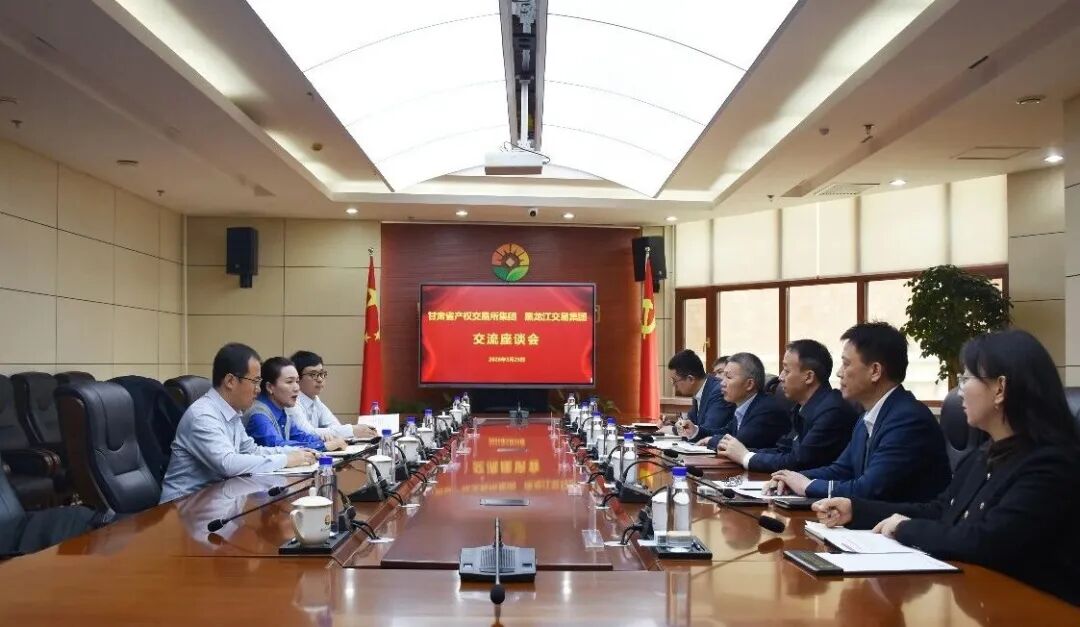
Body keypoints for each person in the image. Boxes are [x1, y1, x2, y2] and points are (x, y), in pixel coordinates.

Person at [812, 330, 1080, 606]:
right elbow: (941, 510)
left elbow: (987, 541)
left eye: (966, 379)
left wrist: (905, 528)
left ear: (1000, 388)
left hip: (1039, 609)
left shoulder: (1050, 465)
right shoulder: (983, 455)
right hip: (984, 599)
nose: (959, 391)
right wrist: (857, 510)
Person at [765, 322, 950, 501]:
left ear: (875, 371)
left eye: (846, 364)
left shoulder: (908, 420)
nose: (839, 373)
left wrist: (807, 486)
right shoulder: (867, 416)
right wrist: (789, 478)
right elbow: (842, 470)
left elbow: (868, 488)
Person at [159, 343, 317, 503]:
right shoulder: (203, 415)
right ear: (230, 381)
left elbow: (251, 450)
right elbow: (228, 464)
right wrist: (285, 460)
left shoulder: (231, 412)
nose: (258, 389)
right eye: (255, 381)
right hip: (183, 506)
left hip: (216, 499)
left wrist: (294, 451)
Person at [717, 339, 858, 472]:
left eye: (786, 370)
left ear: (809, 377)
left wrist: (745, 457)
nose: (780, 377)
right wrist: (740, 453)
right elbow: (784, 450)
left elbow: (799, 461)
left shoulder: (832, 410)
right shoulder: (801, 407)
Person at [681, 352, 789, 449]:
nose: (722, 383)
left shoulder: (766, 409)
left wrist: (711, 441)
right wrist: (695, 431)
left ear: (749, 384)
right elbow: (727, 432)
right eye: (723, 377)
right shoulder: (744, 406)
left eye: (728, 377)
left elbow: (740, 442)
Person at [244, 357, 347, 452]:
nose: (297, 388)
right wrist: (323, 446)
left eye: (297, 381)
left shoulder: (283, 410)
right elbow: (276, 446)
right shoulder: (258, 414)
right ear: (270, 387)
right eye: (289, 382)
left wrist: (324, 440)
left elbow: (300, 436)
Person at [290, 350, 378, 440]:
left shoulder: (315, 399)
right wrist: (352, 430)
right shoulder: (292, 402)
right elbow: (307, 433)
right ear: (297, 378)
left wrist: (354, 430)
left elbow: (334, 425)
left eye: (321, 373)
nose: (320, 379)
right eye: (313, 374)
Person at [667, 349, 733, 438]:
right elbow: (691, 424)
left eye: (675, 380)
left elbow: (708, 430)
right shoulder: (698, 391)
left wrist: (673, 430)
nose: (674, 385)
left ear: (691, 379)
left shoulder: (719, 391)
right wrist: (673, 425)